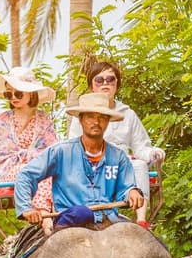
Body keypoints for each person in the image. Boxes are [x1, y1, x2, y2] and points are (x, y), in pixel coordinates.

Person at [15, 92, 144, 228]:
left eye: (102, 117)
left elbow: (126, 187)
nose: (96, 122)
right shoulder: (60, 152)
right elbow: (26, 175)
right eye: (90, 117)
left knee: (140, 236)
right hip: (71, 218)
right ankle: (58, 233)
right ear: (81, 119)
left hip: (109, 218)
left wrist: (132, 192)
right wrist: (26, 208)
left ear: (107, 121)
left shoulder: (119, 156)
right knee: (81, 212)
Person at [67, 59, 164, 228]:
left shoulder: (128, 114)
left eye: (110, 79)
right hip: (93, 165)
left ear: (117, 84)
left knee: (140, 165)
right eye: (99, 80)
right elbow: (73, 148)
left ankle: (141, 220)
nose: (105, 84)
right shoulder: (82, 115)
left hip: (122, 166)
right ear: (92, 85)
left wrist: (152, 153)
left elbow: (141, 146)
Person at [0, 65, 59, 220]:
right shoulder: (0, 121)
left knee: (44, 171)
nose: (14, 97)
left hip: (39, 171)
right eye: (9, 94)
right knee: (29, 171)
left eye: (19, 93)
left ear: (30, 94)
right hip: (9, 172)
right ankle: (40, 215)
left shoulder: (44, 120)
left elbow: (53, 151)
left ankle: (44, 213)